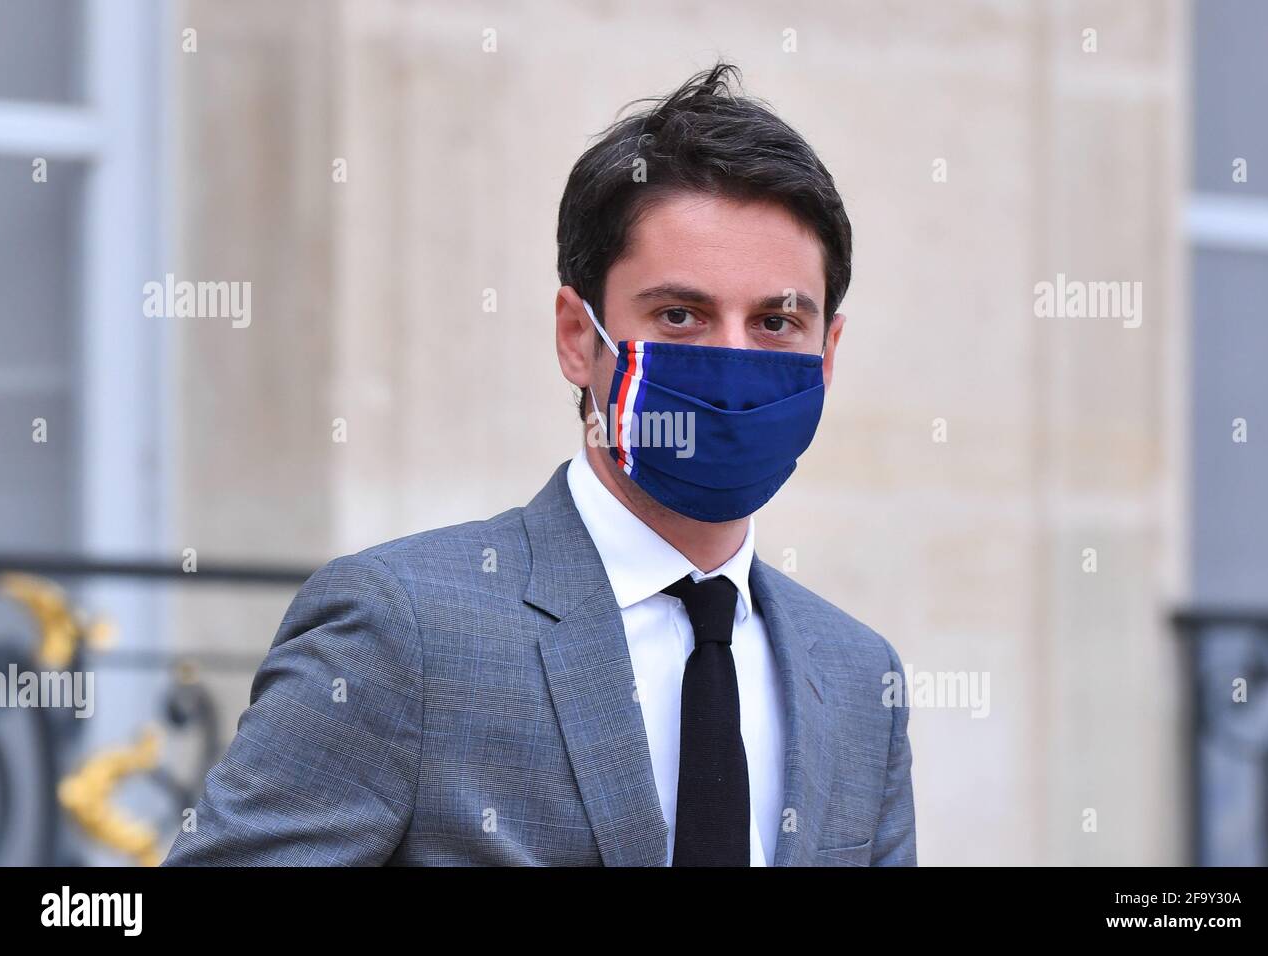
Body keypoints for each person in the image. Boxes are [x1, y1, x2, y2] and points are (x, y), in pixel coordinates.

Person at [163, 61, 915, 867]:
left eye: (775, 322)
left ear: (827, 352)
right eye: (680, 314)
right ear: (576, 335)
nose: (732, 360)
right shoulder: (402, 629)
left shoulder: (857, 674)